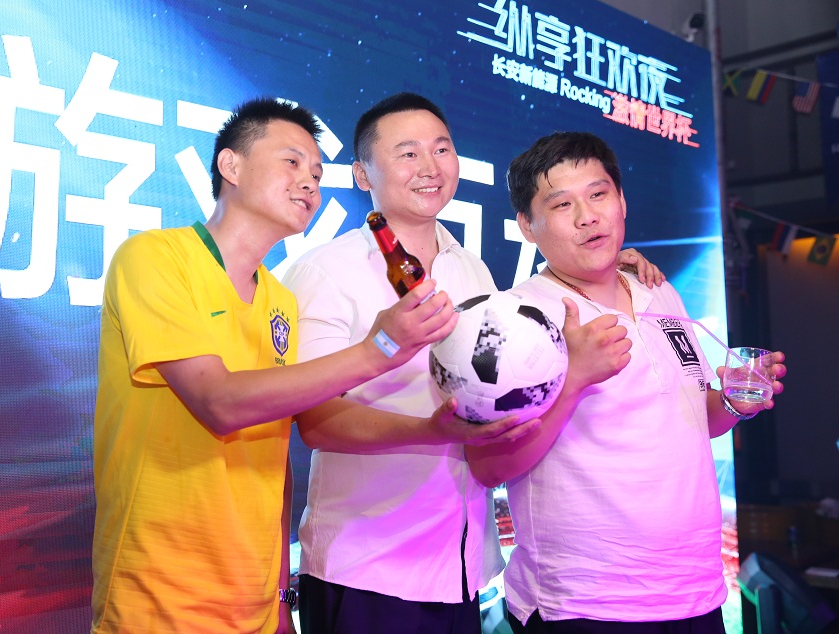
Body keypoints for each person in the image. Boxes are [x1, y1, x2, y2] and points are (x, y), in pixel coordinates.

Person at [91, 97, 493, 634]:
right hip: (159, 591)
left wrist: (281, 593)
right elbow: (218, 403)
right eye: (291, 162)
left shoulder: (278, 299)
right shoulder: (155, 258)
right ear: (231, 166)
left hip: (257, 599)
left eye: (317, 173)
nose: (308, 181)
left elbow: (275, 456)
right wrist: (380, 348)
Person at [282, 95, 666, 634]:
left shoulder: (473, 270)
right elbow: (316, 423)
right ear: (362, 174)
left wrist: (614, 265)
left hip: (463, 571)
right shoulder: (326, 270)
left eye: (442, 149)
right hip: (367, 567)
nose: (430, 167)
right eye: (408, 153)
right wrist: (431, 430)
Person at [467, 131, 788, 633]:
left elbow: (694, 421)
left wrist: (732, 401)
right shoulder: (514, 317)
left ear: (621, 201)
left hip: (696, 591)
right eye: (562, 204)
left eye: (598, 194)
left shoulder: (659, 292)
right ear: (527, 225)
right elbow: (489, 466)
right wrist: (574, 379)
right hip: (584, 602)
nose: (587, 216)